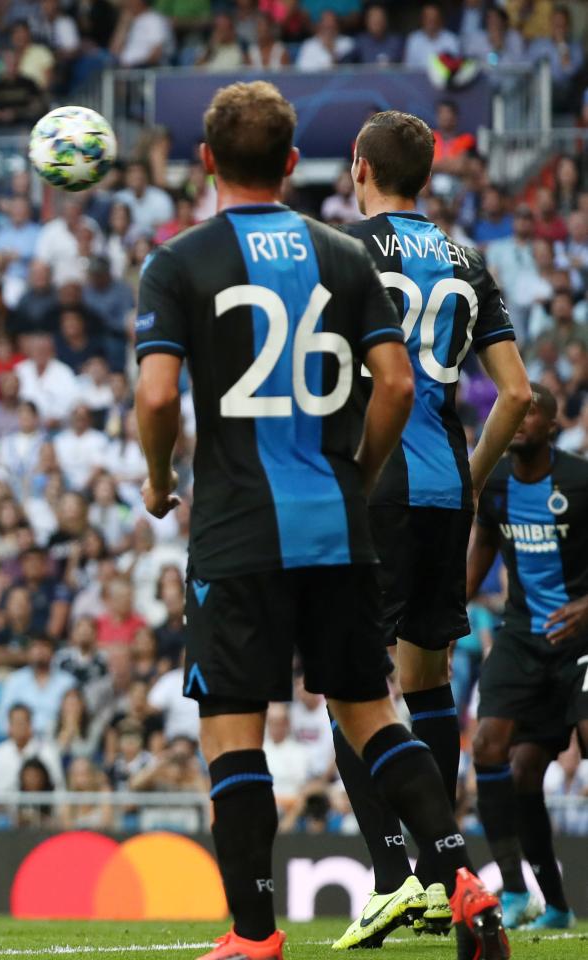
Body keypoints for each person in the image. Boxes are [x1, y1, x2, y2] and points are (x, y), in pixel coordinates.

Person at [133, 82, 507, 960]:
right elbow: (402, 383)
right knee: (375, 712)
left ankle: (255, 936)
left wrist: (158, 480)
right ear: (295, 164)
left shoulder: (179, 260)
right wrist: (357, 473)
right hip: (340, 519)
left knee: (233, 726)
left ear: (207, 160)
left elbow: (156, 395)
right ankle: (461, 882)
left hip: (236, 524)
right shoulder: (341, 254)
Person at [331, 110, 530, 949]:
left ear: (360, 167)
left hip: (371, 484)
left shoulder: (338, 251)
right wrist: (473, 477)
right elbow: (516, 396)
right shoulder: (468, 260)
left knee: (350, 686)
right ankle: (439, 875)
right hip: (447, 487)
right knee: (427, 681)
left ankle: (394, 878)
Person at [467, 385, 588, 932]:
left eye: (529, 411)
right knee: (501, 758)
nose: (517, 419)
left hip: (581, 638)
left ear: (553, 423)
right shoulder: (493, 484)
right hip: (521, 636)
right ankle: (526, 896)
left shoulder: (581, 480)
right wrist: (447, 616)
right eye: (510, 410)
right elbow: (484, 545)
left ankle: (551, 903)